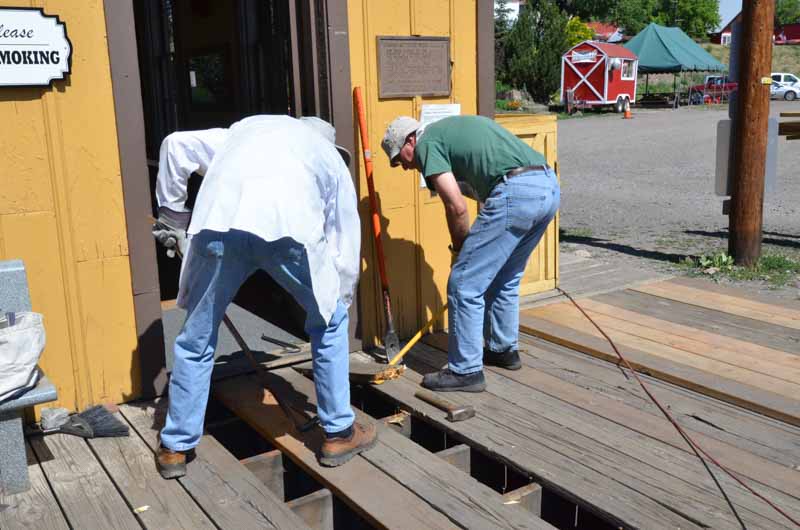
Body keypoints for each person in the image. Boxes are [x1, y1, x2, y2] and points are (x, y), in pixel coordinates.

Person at [151, 115, 376, 479]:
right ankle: (338, 433)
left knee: (195, 337)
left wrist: (173, 217)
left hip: (219, 224)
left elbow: (175, 144)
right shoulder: (328, 156)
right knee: (329, 321)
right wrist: (340, 297)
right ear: (327, 141)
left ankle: (176, 446)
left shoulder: (242, 132)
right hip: (287, 228)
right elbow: (344, 236)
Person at [381, 115, 560, 392]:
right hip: (547, 186)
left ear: (410, 139)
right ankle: (503, 350)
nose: (402, 166)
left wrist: (460, 250)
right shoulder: (448, 132)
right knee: (505, 277)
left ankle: (466, 370)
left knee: (463, 284)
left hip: (516, 191)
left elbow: (457, 207)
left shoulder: (427, 144)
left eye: (398, 158)